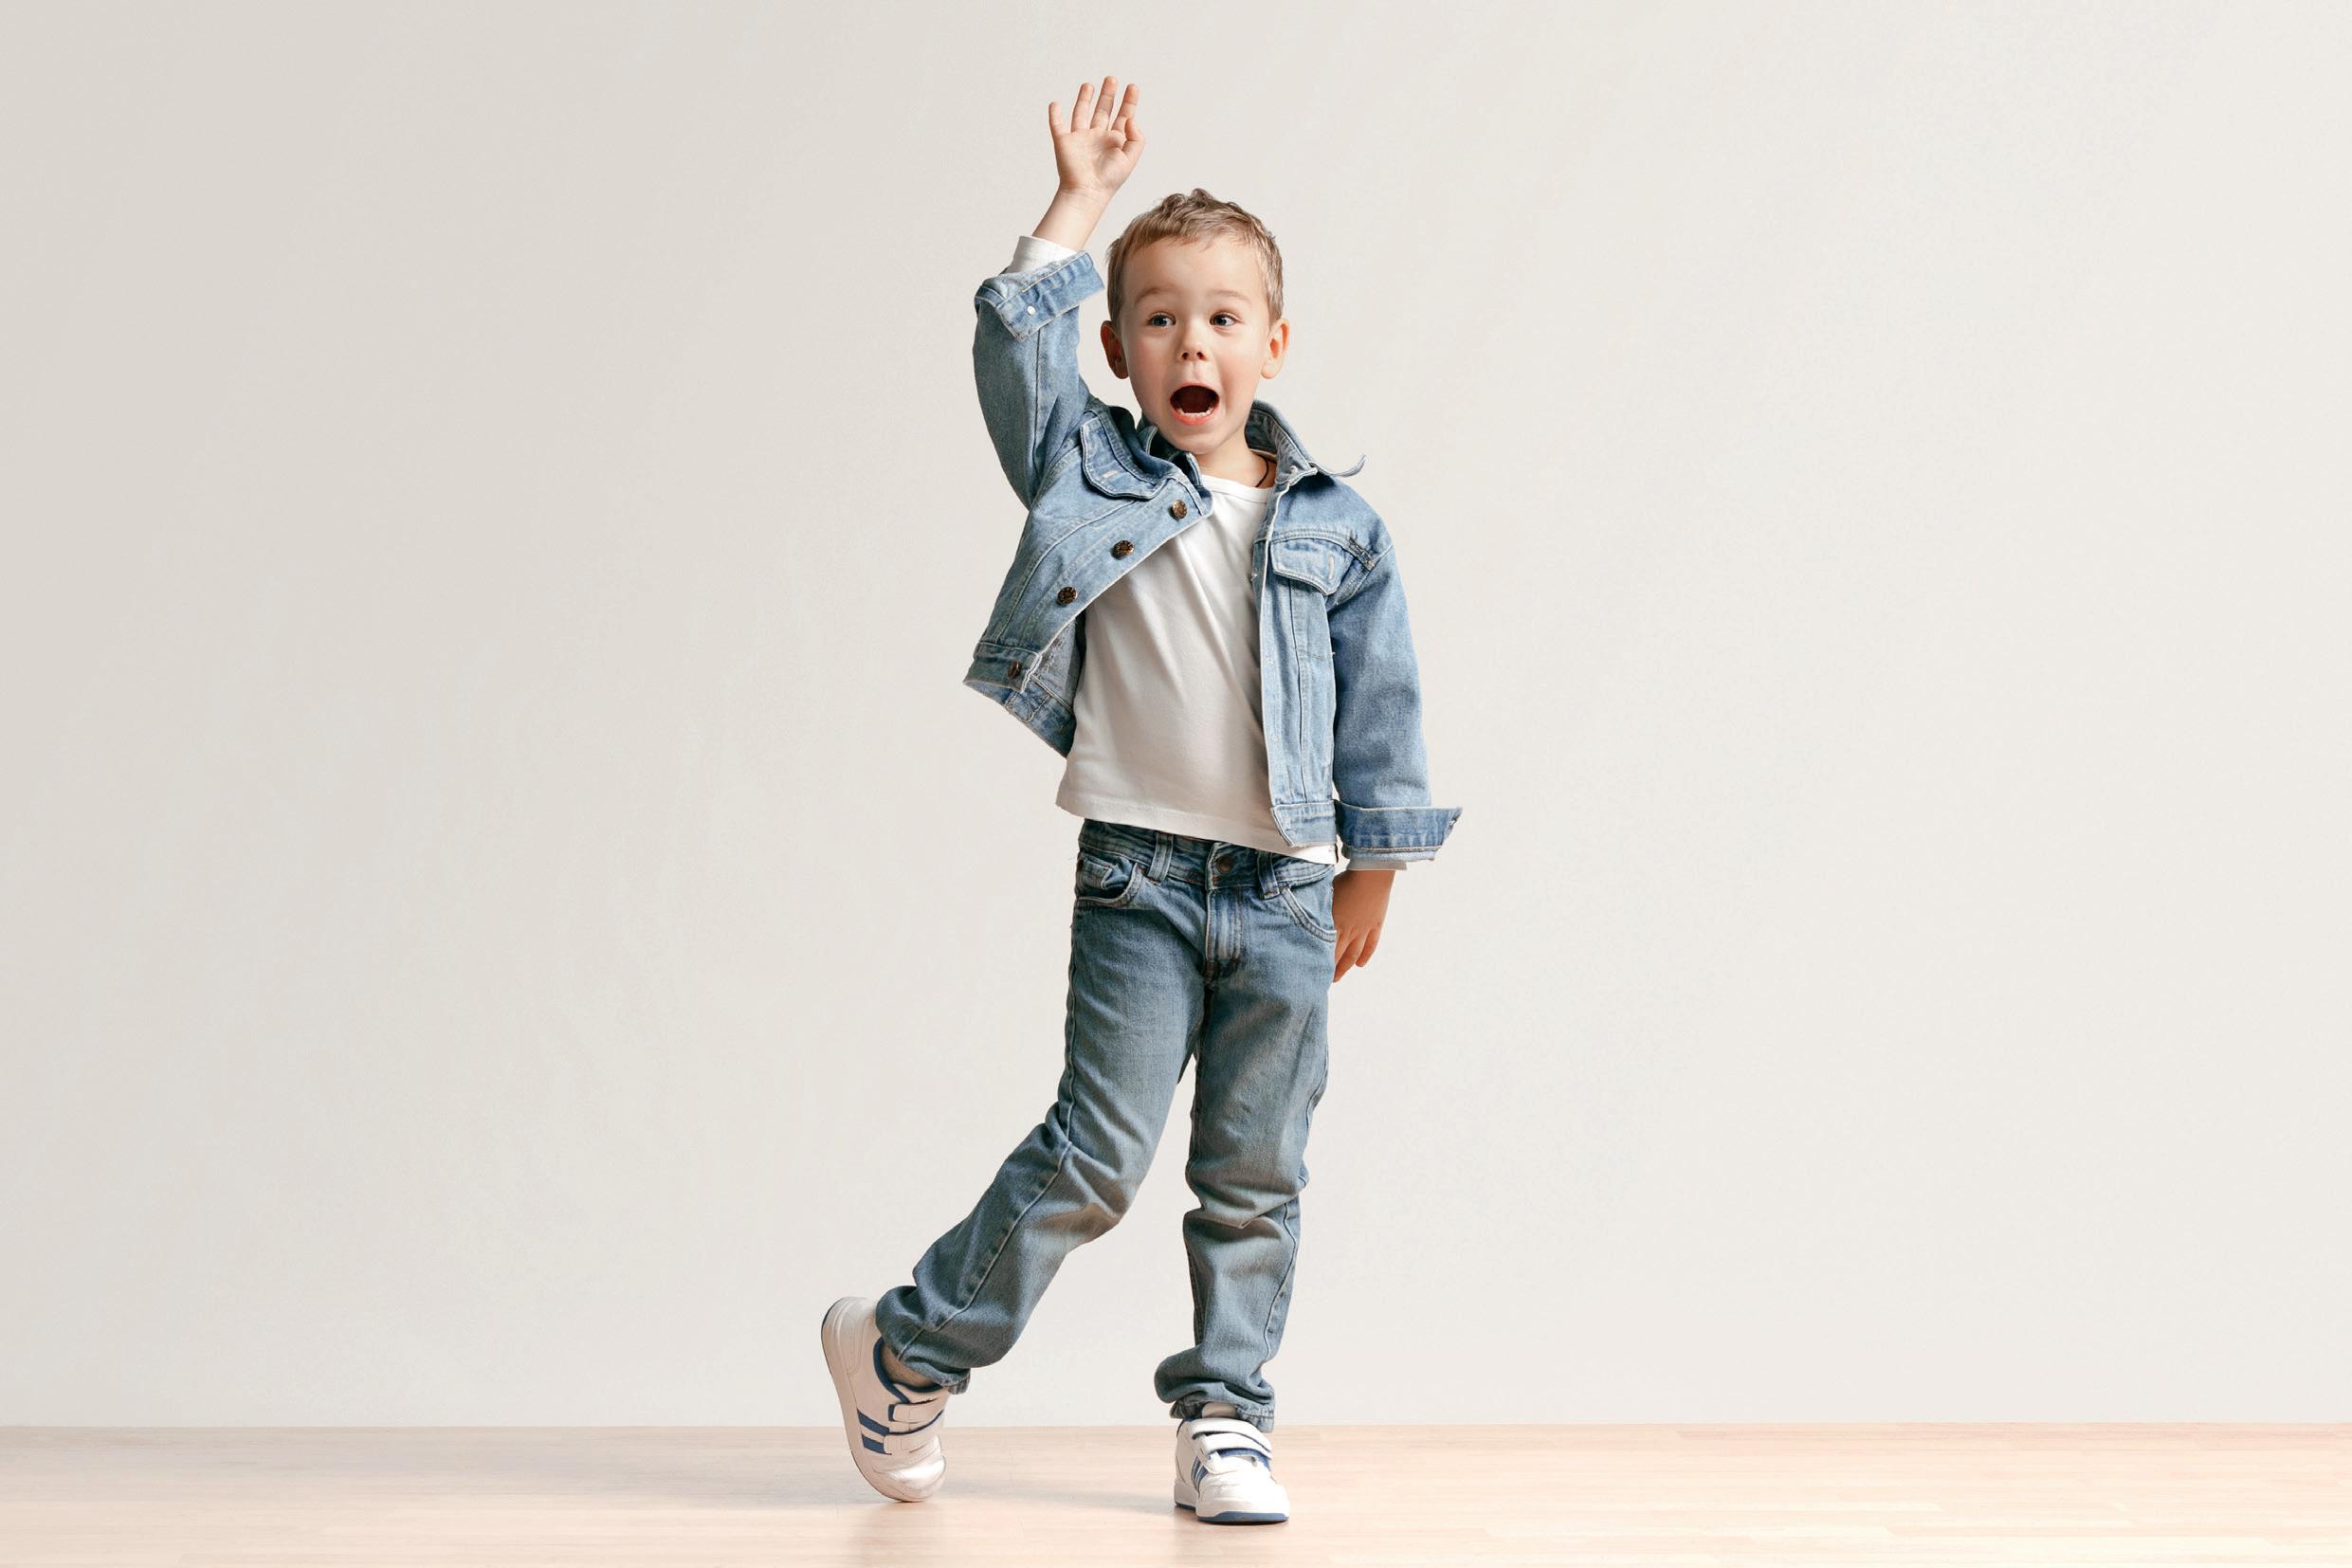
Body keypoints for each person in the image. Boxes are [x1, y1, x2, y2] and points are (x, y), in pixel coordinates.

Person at [821, 74, 1460, 1525]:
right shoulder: (1092, 470)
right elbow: (1013, 353)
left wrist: (1374, 865)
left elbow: (1382, 705)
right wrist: (1077, 204)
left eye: (1223, 317)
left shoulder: (1337, 526)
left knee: (1253, 1173)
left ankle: (1224, 1416)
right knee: (1096, 1158)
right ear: (1117, 350)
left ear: (1272, 344)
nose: (1192, 341)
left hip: (1285, 893)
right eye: (1159, 318)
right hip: (1139, 881)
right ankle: (904, 1349)